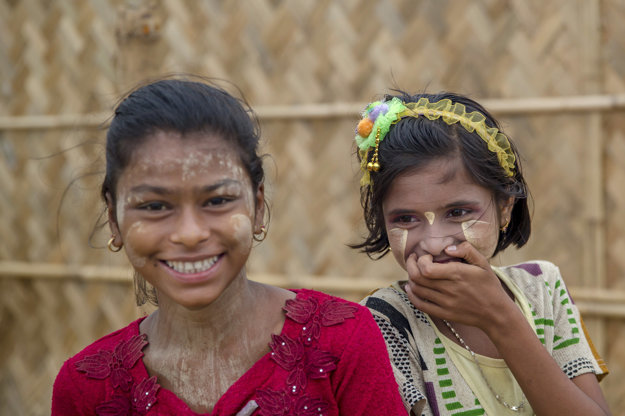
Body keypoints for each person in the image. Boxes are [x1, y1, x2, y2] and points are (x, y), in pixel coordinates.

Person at [51, 78, 407, 416]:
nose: (190, 234)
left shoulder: (343, 344)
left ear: (257, 205)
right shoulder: (85, 389)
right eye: (155, 206)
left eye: (218, 200)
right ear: (114, 219)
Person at [352, 91, 611, 416]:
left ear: (505, 208)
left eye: (458, 212)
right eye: (405, 218)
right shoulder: (380, 323)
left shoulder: (543, 288)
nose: (434, 243)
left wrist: (500, 318)